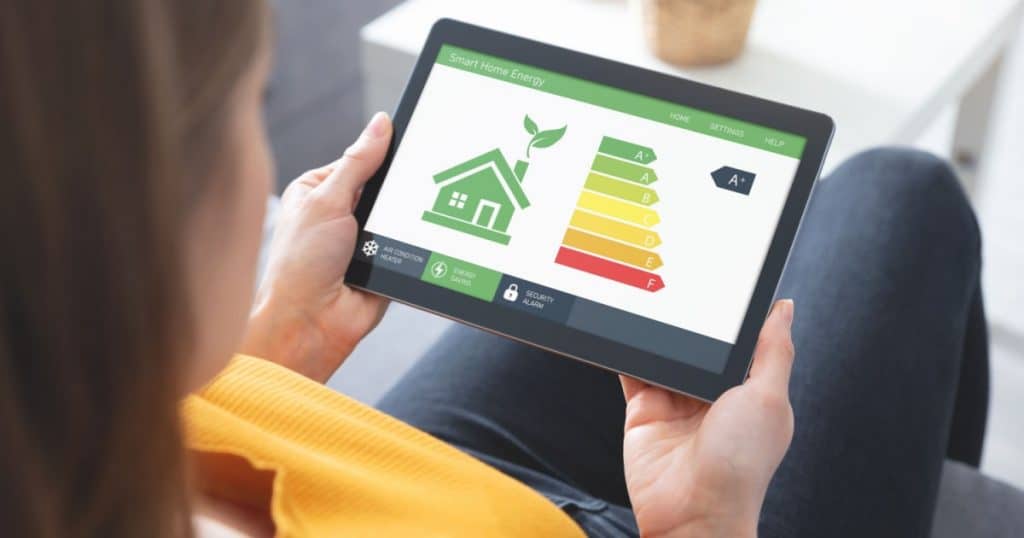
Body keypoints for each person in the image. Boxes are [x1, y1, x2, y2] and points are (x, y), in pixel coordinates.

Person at [0, 1, 987, 537]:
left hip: (370, 473)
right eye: (251, 110)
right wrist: (707, 524)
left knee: (639, 280)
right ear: (149, 230)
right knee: (905, 194)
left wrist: (276, 348)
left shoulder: (64, 443)